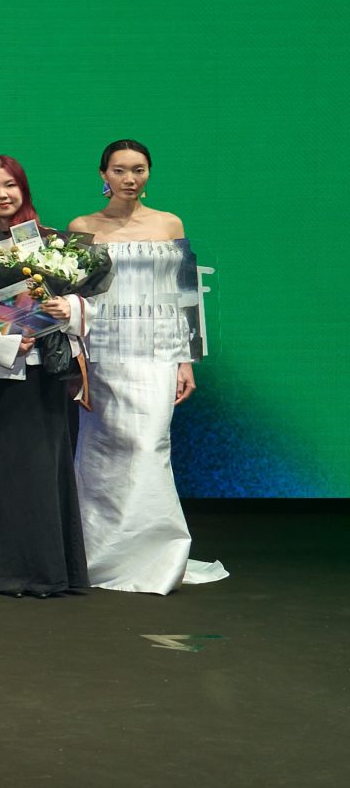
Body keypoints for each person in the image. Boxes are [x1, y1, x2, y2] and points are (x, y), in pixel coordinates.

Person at [68, 140, 229, 593]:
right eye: (119, 170)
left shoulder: (168, 223)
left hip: (158, 351)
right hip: (103, 351)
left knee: (150, 444)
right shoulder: (82, 227)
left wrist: (187, 359)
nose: (129, 178)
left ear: (149, 173)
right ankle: (94, 554)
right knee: (102, 452)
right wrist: (77, 361)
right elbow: (73, 296)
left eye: (138, 169)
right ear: (103, 174)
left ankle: (155, 554)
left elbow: (186, 294)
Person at [0, 154, 97, 597]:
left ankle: (51, 572)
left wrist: (70, 308)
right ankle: (0, 571)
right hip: (3, 374)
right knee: (5, 471)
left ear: (23, 189)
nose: (2, 194)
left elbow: (92, 300)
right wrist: (5, 343)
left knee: (48, 471)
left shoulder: (53, 244)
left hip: (51, 371)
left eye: (9, 185)